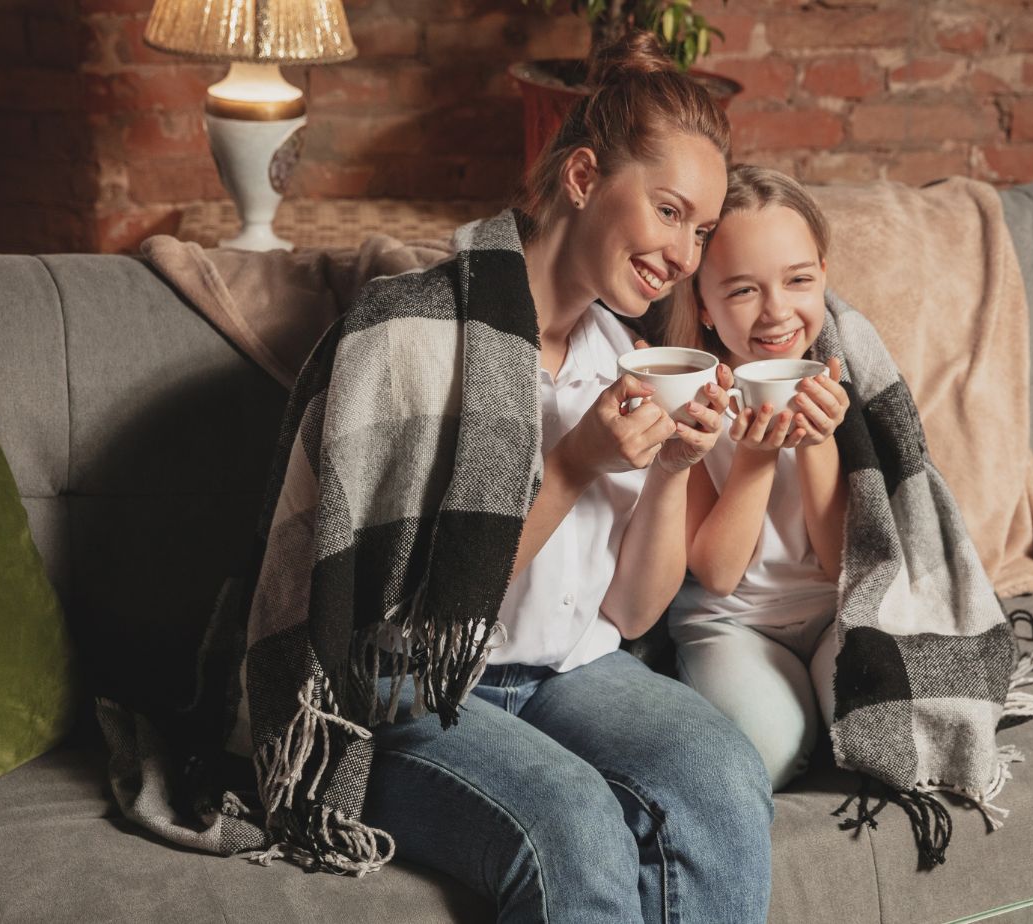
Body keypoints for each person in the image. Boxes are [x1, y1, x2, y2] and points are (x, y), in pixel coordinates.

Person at [359, 33, 773, 924]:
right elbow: (410, 615)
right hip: (416, 689)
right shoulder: (425, 336)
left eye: (700, 230)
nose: (686, 256)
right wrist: (575, 462)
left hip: (568, 671)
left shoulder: (619, 358)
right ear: (584, 178)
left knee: (726, 775)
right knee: (576, 824)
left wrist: (672, 468)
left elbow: (627, 617)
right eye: (669, 212)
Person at [663, 164, 853, 791]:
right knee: (765, 750)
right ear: (706, 308)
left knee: (883, 718)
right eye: (743, 291)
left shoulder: (849, 385)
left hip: (835, 610)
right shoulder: (692, 402)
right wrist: (757, 455)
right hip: (730, 619)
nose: (776, 313)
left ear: (823, 276)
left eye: (797, 280)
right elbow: (716, 574)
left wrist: (819, 442)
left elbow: (840, 564)